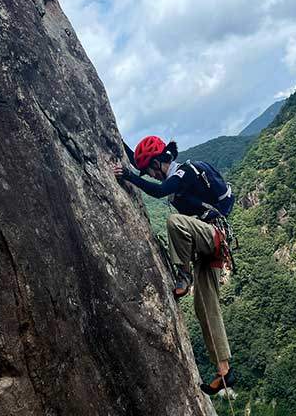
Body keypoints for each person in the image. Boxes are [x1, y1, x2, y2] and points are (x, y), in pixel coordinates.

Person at [113, 135, 235, 396]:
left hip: (212, 235)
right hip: (208, 243)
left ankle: (183, 276)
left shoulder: (185, 172)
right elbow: (140, 162)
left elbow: (158, 191)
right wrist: (119, 141)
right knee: (205, 307)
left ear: (159, 162)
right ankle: (224, 371)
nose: (151, 175)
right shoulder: (173, 172)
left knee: (174, 222)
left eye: (150, 170)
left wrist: (129, 176)